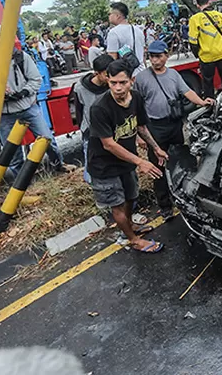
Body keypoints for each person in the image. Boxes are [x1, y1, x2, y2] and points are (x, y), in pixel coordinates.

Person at [87, 60, 167, 253]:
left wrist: (155, 148)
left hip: (126, 160)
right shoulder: (99, 107)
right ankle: (132, 239)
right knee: (117, 205)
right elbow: (108, 144)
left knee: (131, 196)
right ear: (107, 81)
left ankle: (130, 225)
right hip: (104, 165)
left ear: (132, 80)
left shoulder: (136, 98)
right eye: (113, 82)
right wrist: (140, 161)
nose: (118, 88)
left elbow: (140, 126)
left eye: (122, 82)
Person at [0, 22, 66, 178]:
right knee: (12, 152)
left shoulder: (20, 57)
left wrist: (22, 93)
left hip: (27, 108)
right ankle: (22, 182)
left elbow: (35, 79)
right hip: (4, 114)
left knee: (47, 139)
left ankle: (59, 166)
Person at [134, 40, 214, 218]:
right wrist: (139, 136)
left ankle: (186, 196)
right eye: (151, 57)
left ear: (166, 56)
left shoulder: (174, 75)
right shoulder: (141, 78)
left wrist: (202, 102)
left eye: (158, 56)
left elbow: (187, 92)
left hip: (174, 125)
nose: (154, 61)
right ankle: (165, 206)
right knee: (158, 167)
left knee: (181, 161)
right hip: (154, 128)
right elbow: (136, 107)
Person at [74, 54, 113, 183]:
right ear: (97, 73)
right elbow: (78, 110)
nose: (110, 77)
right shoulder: (80, 88)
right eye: (106, 74)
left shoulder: (113, 85)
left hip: (110, 130)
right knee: (92, 164)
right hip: (91, 131)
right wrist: (83, 129)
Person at [188, 0, 222, 98]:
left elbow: (193, 42)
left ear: (197, 4)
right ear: (208, 1)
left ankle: (210, 104)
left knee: (208, 83)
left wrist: (198, 55)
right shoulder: (220, 15)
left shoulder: (195, 19)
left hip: (207, 57)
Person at [106, 2, 146, 76]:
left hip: (127, 76)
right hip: (142, 72)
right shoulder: (138, 30)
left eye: (110, 14)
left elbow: (112, 57)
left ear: (117, 16)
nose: (109, 16)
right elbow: (143, 55)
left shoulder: (113, 33)